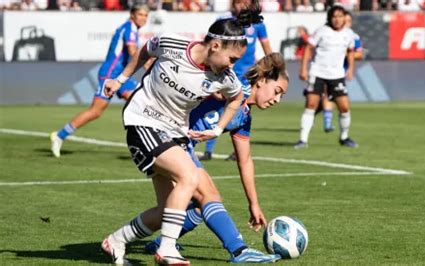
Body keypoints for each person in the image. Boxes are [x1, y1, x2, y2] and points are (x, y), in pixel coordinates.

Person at [100, 8, 265, 265]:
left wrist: (218, 128)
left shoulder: (225, 78)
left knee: (167, 211)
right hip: (143, 121)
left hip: (174, 133)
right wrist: (120, 80)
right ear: (215, 45)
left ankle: (116, 240)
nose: (233, 66)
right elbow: (146, 49)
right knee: (189, 176)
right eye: (231, 59)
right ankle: (166, 249)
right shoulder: (171, 42)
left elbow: (237, 98)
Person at [144, 53, 288, 262]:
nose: (277, 100)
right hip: (165, 137)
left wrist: (254, 204)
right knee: (209, 195)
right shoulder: (235, 88)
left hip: (181, 145)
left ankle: (155, 243)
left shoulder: (244, 117)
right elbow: (209, 78)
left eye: (281, 96)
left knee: (199, 207)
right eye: (277, 91)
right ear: (263, 80)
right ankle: (239, 250)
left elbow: (245, 161)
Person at [50, 4, 150, 158]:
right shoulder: (129, 28)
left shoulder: (131, 29)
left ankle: (146, 145)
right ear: (132, 15)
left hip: (121, 75)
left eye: (145, 15)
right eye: (140, 14)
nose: (143, 18)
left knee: (141, 102)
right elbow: (132, 52)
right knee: (96, 111)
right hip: (110, 75)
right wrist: (149, 65)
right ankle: (59, 136)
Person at [200, 0, 272, 162]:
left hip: (247, 77)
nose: (243, 6)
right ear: (233, 4)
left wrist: (273, 68)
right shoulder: (225, 22)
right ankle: (208, 149)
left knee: (243, 112)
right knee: (215, 107)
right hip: (225, 74)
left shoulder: (258, 24)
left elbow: (267, 48)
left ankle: (237, 151)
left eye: (247, 2)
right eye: (239, 2)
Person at [294, 5, 358, 149]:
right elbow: (308, 48)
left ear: (344, 18)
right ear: (330, 18)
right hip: (318, 73)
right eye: (334, 16)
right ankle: (302, 140)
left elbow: (350, 51)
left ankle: (344, 137)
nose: (337, 19)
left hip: (337, 75)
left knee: (344, 107)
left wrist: (351, 70)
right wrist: (303, 68)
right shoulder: (321, 31)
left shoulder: (349, 34)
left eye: (340, 16)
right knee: (311, 105)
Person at [315, 10, 364, 134]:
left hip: (340, 71)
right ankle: (327, 122)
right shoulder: (327, 33)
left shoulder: (353, 36)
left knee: (335, 99)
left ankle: (316, 112)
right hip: (325, 69)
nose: (344, 22)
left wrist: (344, 52)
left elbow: (359, 54)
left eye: (347, 21)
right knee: (327, 94)